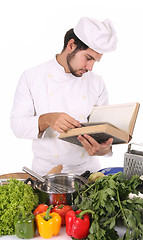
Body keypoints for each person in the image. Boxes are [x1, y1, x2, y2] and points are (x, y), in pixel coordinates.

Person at [10, 17, 117, 176]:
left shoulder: (97, 83)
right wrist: (47, 119)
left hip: (88, 174)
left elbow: (102, 132)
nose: (90, 67)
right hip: (47, 175)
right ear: (71, 45)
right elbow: (17, 125)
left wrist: (104, 149)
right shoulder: (32, 77)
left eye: (95, 61)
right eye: (88, 58)